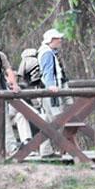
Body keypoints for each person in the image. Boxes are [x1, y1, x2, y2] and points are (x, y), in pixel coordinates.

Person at [37, 28, 70, 158]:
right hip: (50, 93)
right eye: (57, 38)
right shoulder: (47, 53)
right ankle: (45, 150)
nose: (60, 40)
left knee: (51, 120)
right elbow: (48, 72)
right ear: (51, 40)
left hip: (50, 92)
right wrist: (51, 86)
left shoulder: (49, 52)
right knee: (53, 120)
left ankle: (46, 150)